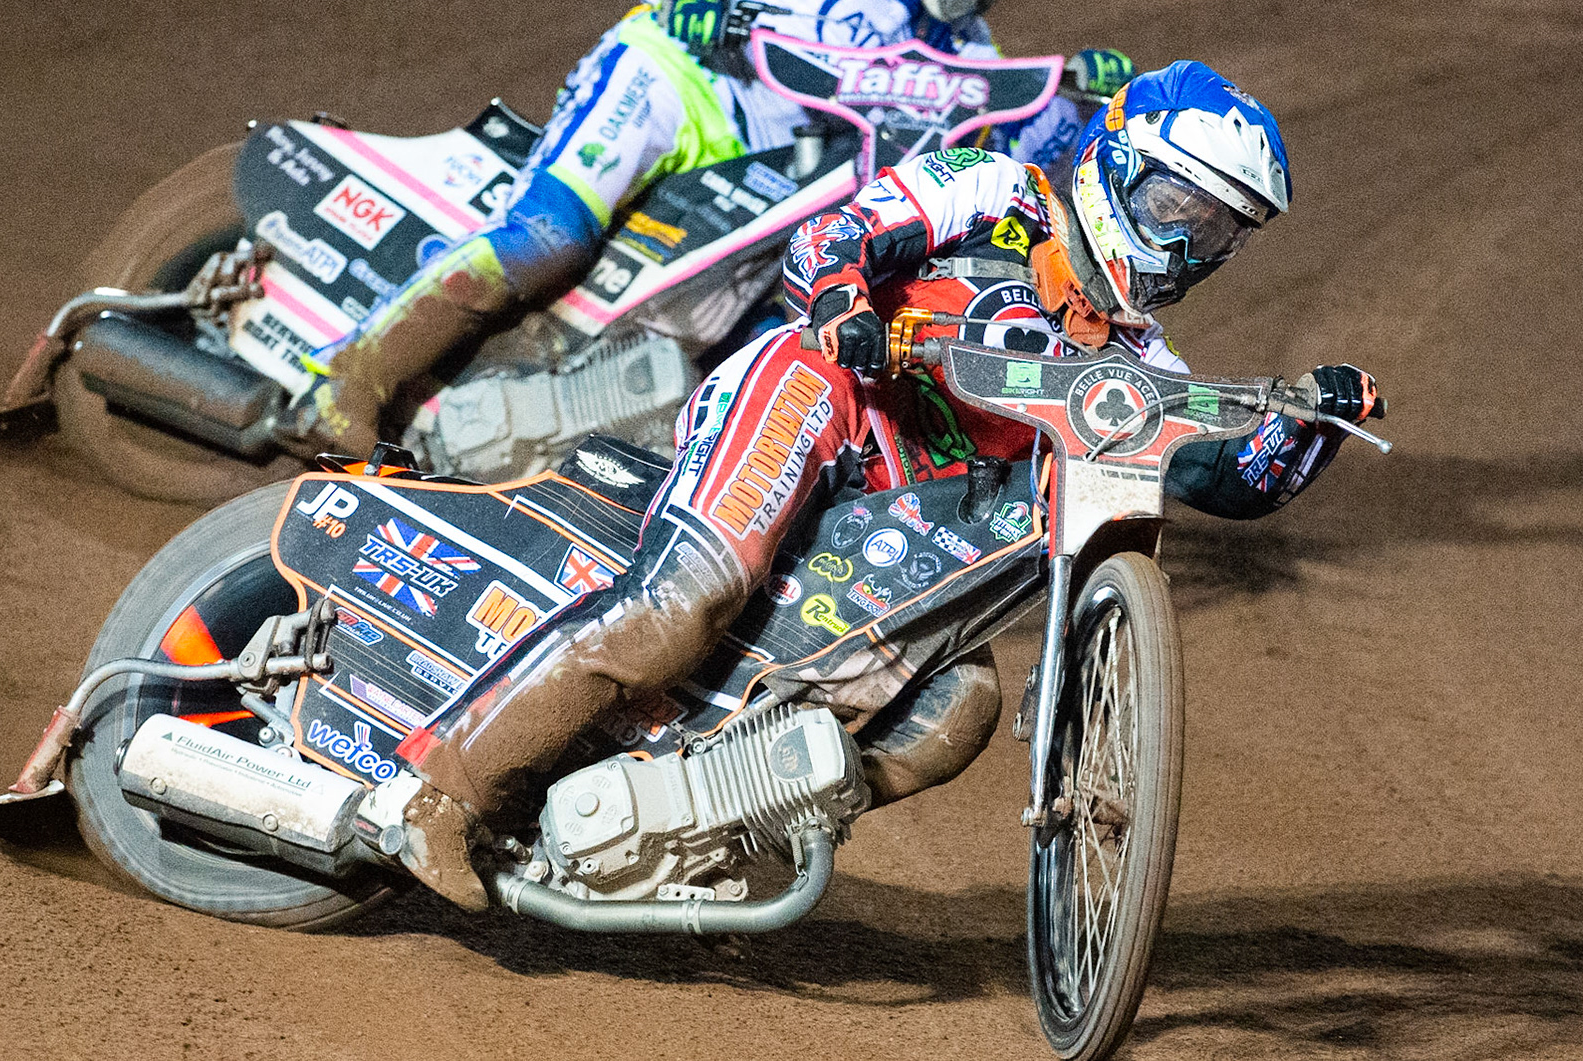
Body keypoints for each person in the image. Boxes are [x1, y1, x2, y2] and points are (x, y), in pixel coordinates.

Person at [352, 60, 1381, 909]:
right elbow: (834, 235)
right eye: (1175, 208)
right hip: (818, 395)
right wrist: (847, 305)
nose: (1187, 248)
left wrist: (1311, 426)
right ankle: (433, 793)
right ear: (1115, 161)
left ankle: (722, 825)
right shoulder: (999, 191)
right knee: (687, 600)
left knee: (958, 702)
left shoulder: (1143, 366)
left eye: (1219, 233)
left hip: (896, 524)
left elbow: (1227, 479)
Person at [277, 0, 1136, 458]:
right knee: (551, 234)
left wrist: (1096, 110)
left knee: (752, 357)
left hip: (781, 194)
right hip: (680, 85)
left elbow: (1015, 164)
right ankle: (346, 376)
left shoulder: (972, 59)